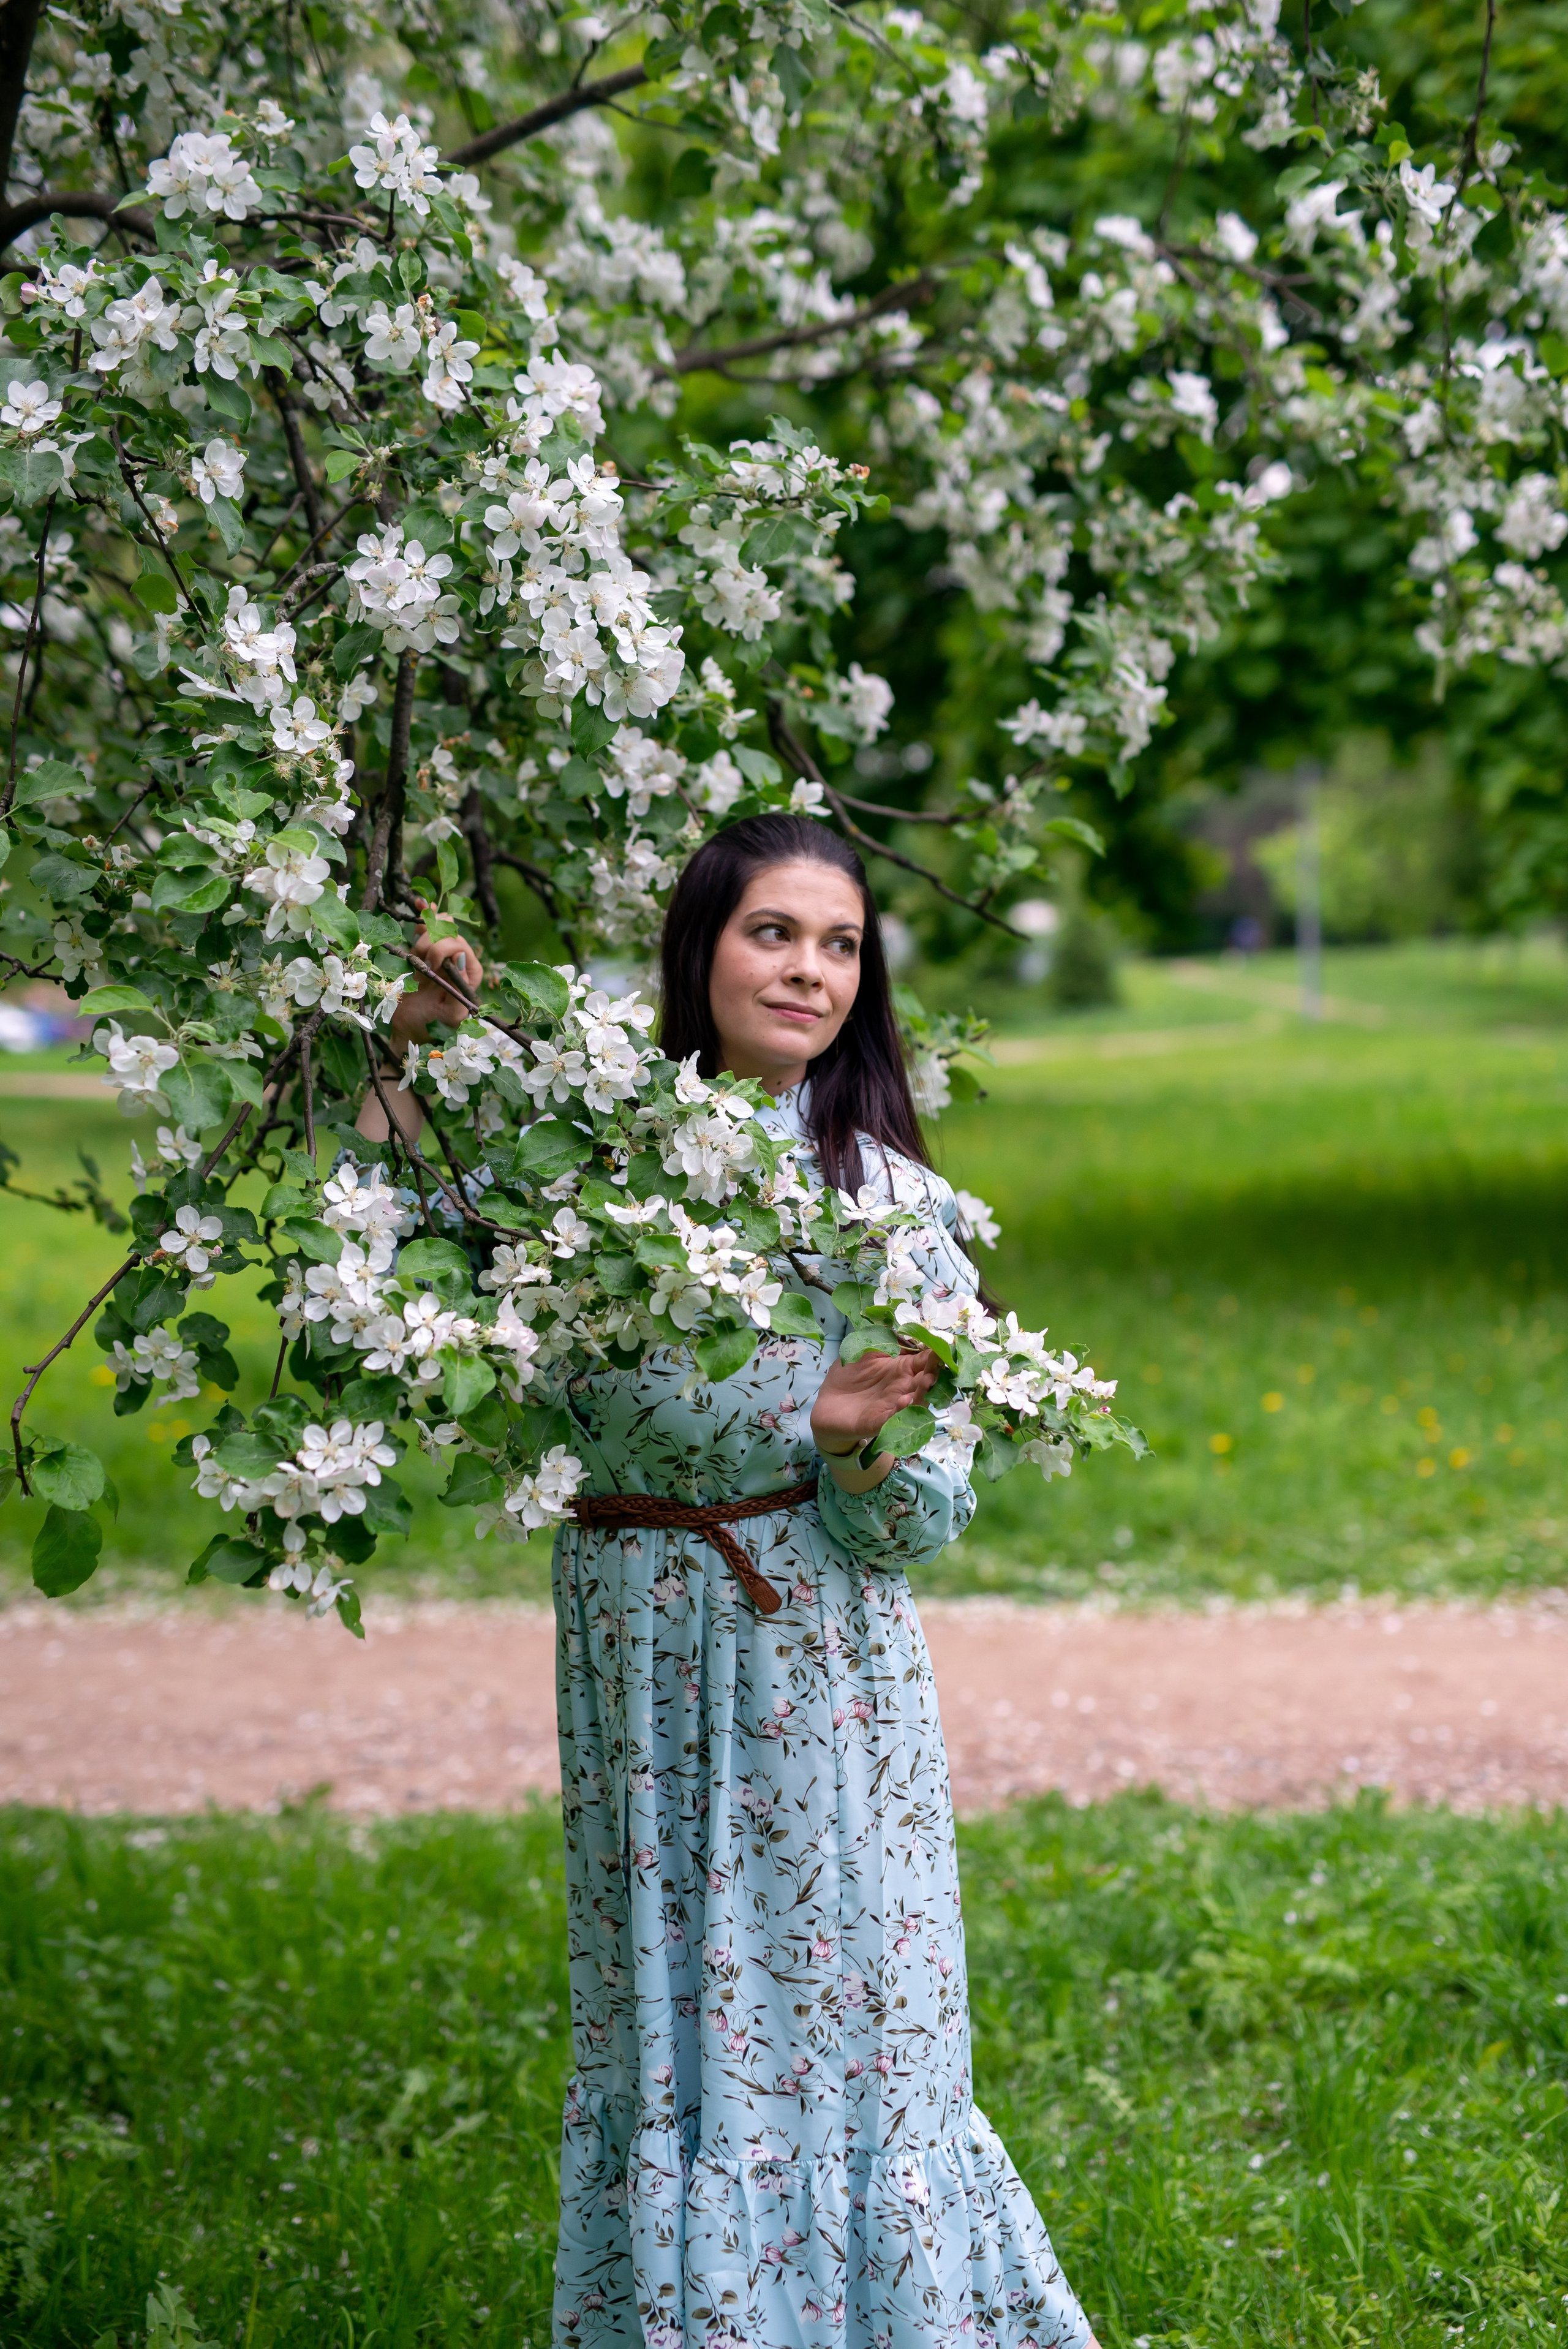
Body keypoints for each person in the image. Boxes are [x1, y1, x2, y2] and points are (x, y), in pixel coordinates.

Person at [369, 818, 1098, 2349]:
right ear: (699, 946)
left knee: (824, 2035)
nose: (810, 971)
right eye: (774, 932)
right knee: (672, 2035)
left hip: (805, 1669)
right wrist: (410, 1046)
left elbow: (922, 1522)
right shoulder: (589, 1160)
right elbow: (394, 1269)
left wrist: (839, 1443)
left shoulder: (883, 1204)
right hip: (633, 1643)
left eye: (840, 946)